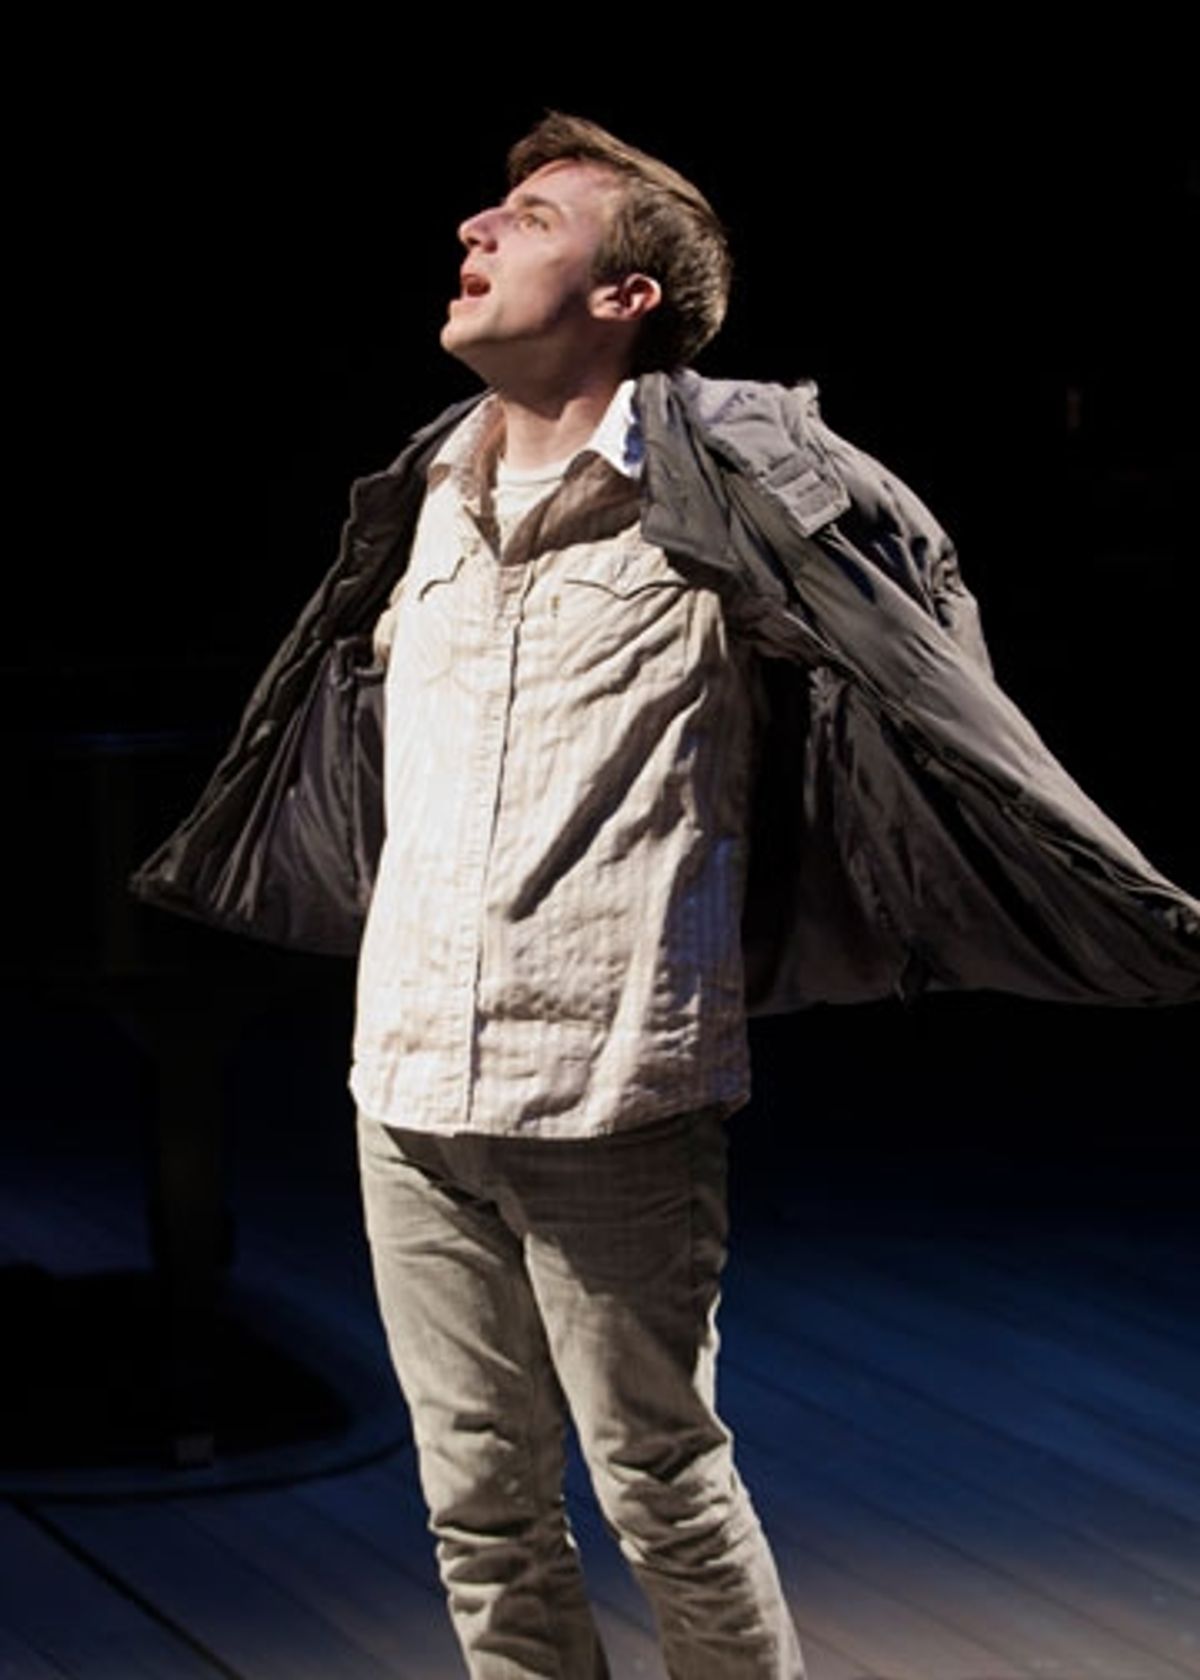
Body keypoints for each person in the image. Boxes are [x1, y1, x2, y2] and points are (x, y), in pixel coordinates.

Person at [133, 114, 1200, 1678]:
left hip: (614, 1088)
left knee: (663, 1491)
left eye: (532, 217)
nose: (476, 234)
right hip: (408, 1085)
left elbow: (918, 647)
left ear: (627, 296)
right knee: (480, 1516)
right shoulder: (422, 490)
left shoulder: (722, 497)